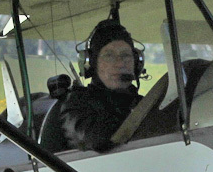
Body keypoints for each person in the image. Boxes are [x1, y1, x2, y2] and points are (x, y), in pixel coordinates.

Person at [43, 19, 144, 153]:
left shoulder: (143, 103)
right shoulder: (76, 104)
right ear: (91, 64)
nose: (120, 63)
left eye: (125, 55)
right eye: (109, 56)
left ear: (136, 63)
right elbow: (96, 139)